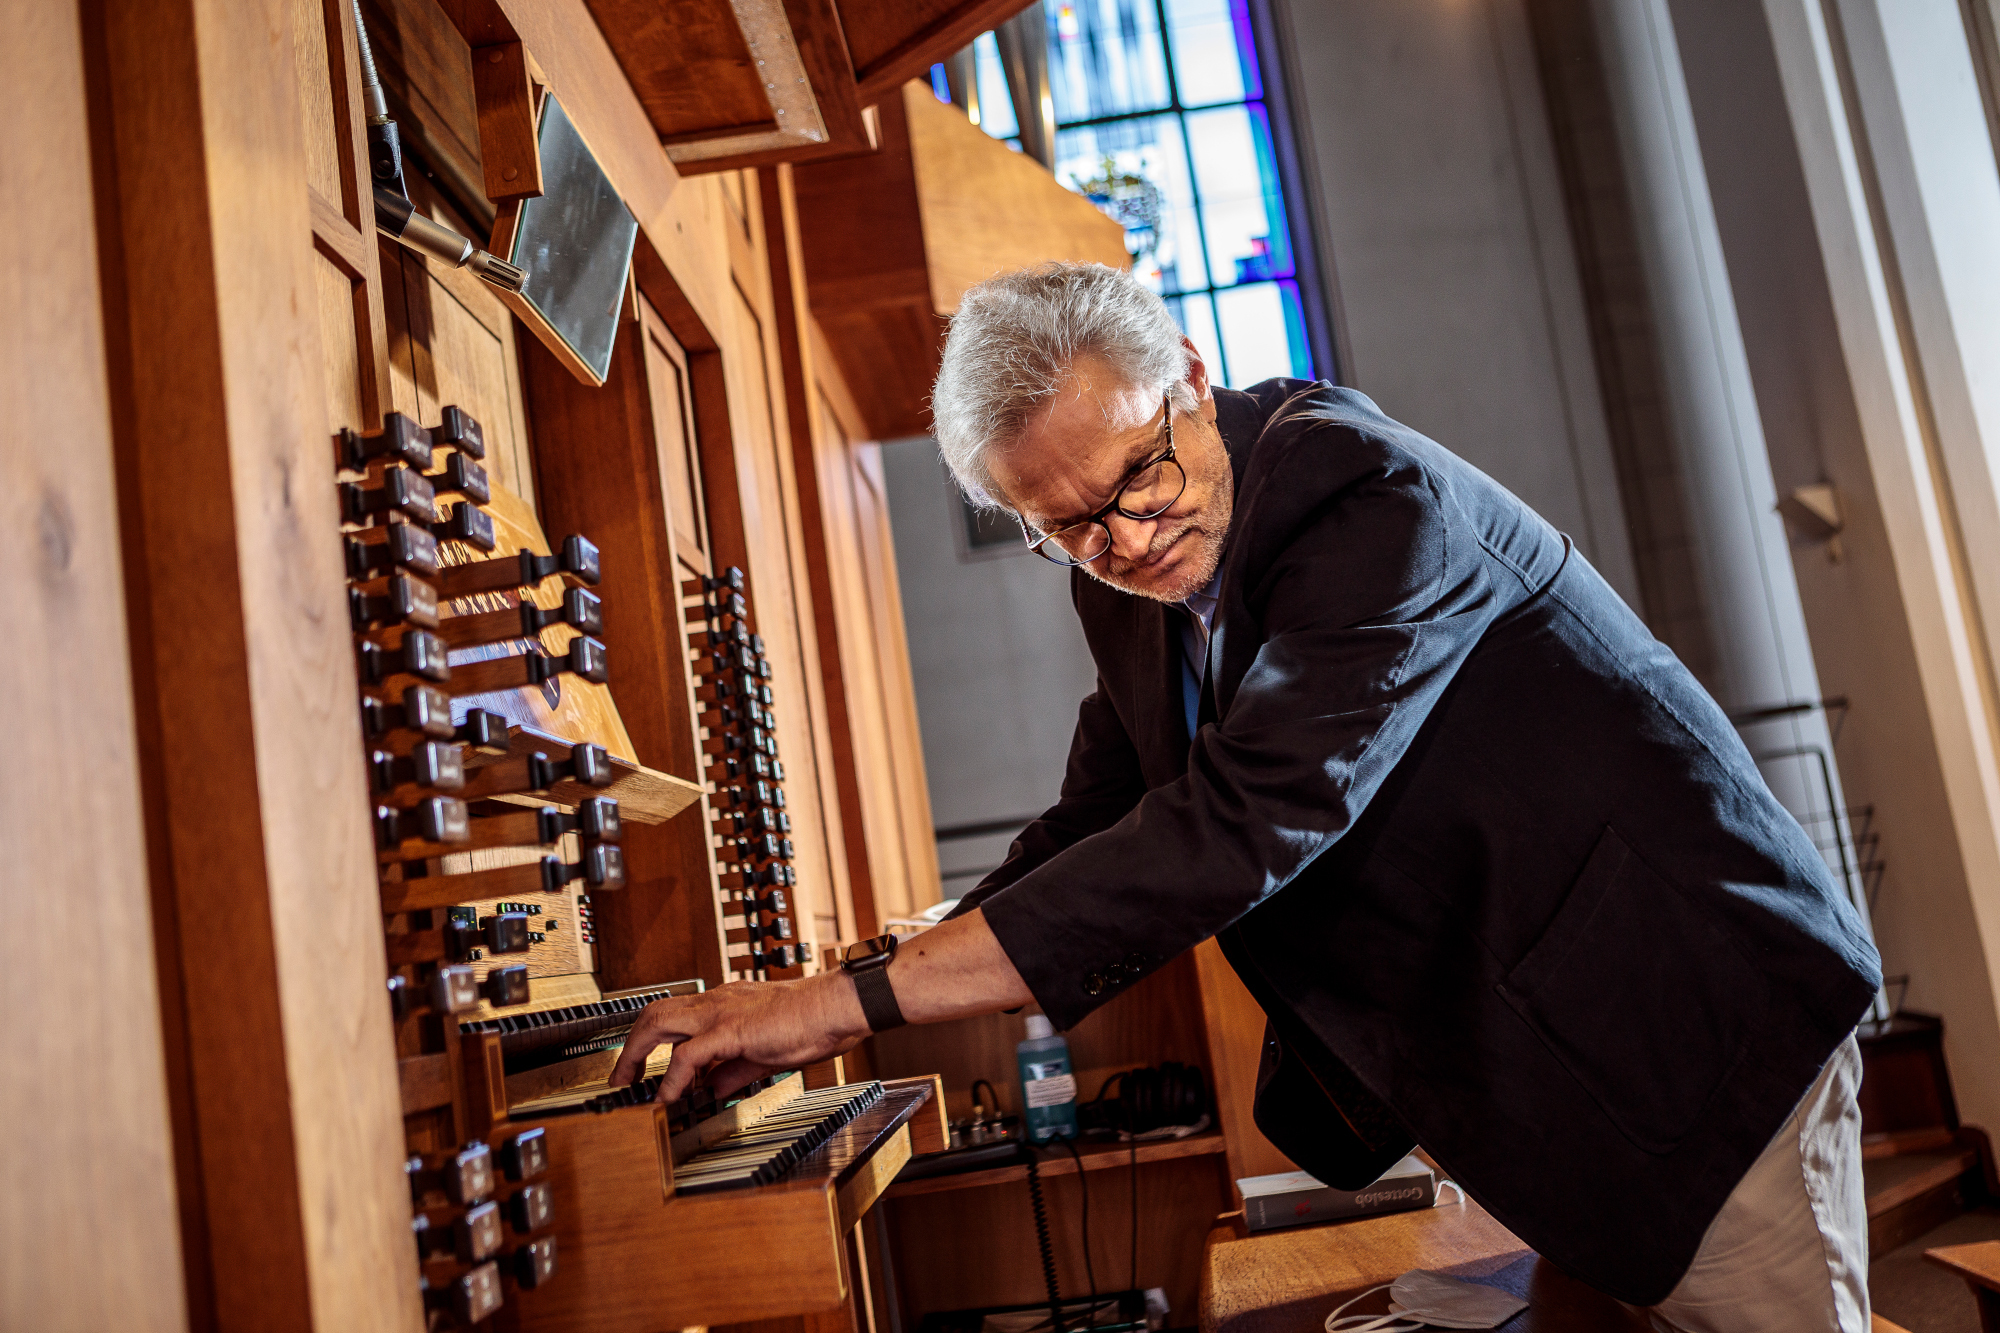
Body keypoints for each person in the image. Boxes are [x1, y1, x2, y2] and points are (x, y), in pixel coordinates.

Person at [611, 262, 1881, 1328]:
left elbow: (1237, 825)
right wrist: (869, 982)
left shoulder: (1363, 499)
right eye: (1068, 528)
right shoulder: (1132, 583)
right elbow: (1098, 817)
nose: (1124, 540)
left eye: (1136, 477)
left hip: (1687, 1022)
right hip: (1526, 1055)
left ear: (1189, 375)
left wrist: (840, 1006)